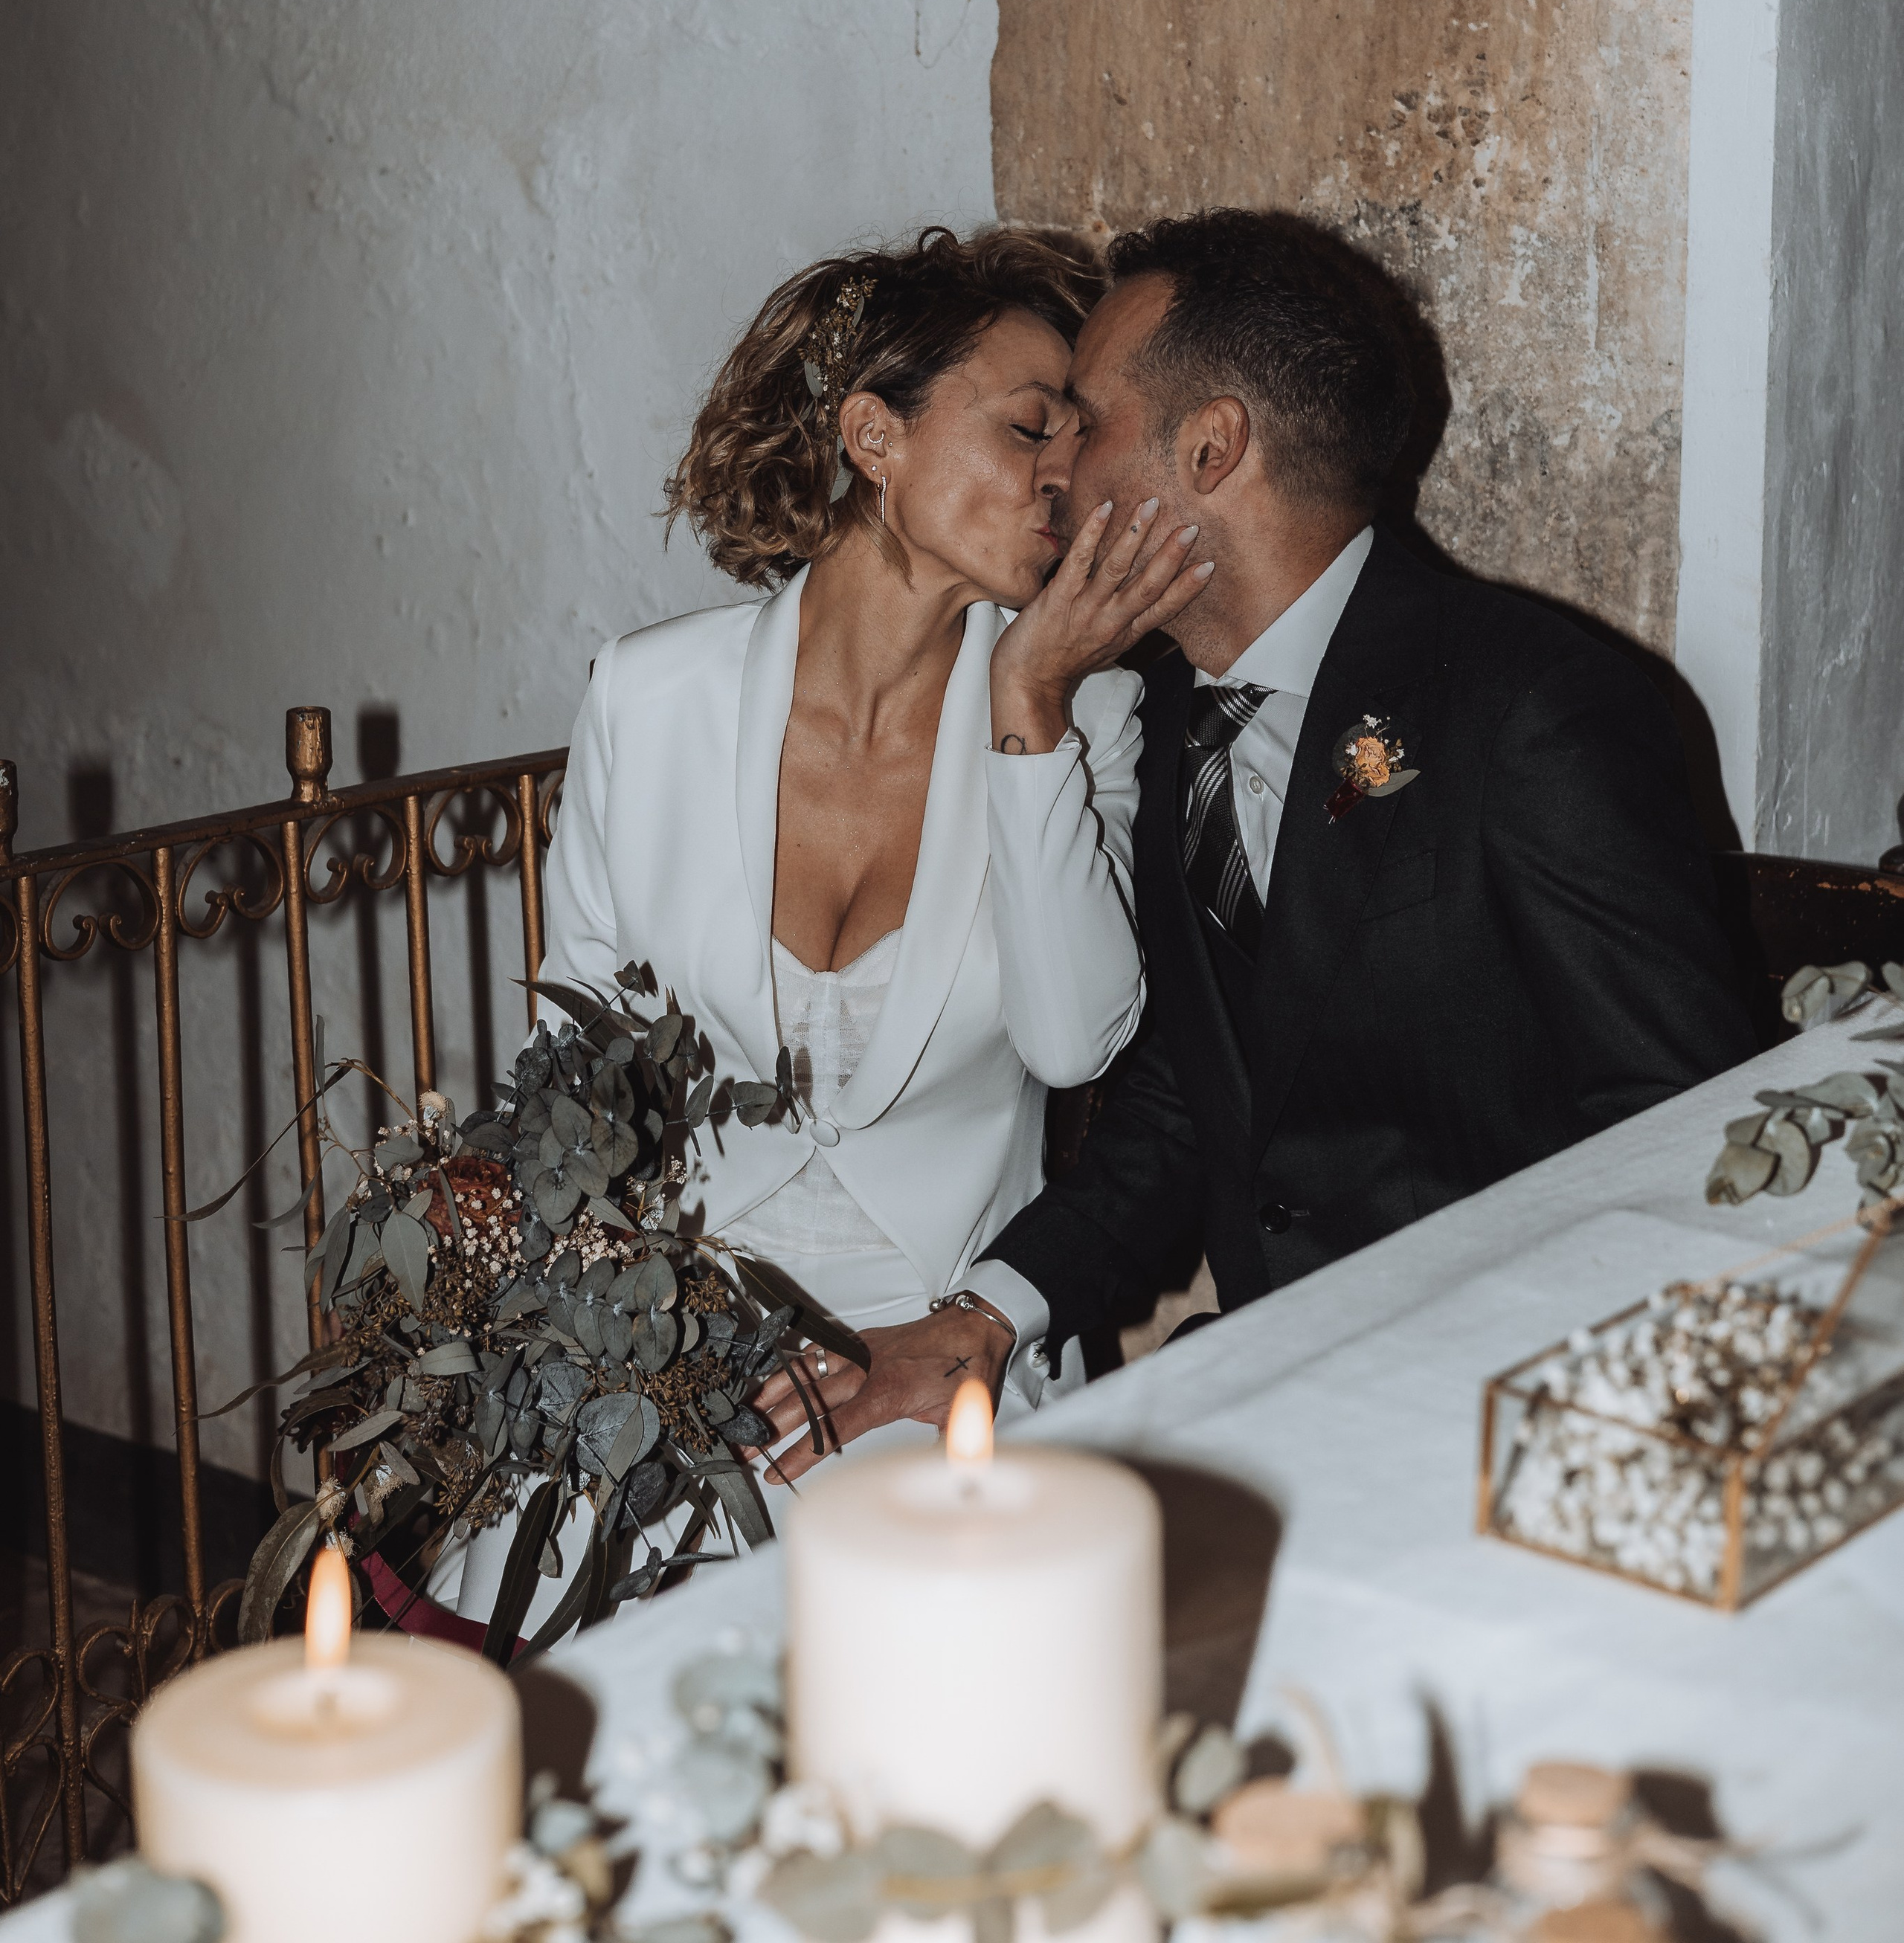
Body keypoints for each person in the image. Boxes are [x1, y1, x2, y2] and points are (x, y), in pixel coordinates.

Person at [765, 207, 1756, 1456]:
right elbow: (1193, 1086)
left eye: (1086, 412)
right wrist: (988, 1315)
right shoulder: (1174, 707)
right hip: (1269, 1381)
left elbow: (1681, 1131)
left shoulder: (1528, 708)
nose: (1053, 456)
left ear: (1214, 446)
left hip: (1509, 1409)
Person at [440, 224, 1207, 1622]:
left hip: (935, 1320)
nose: (1064, 474)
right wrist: (635, 1324)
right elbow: (575, 1069)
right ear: (874, 434)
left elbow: (1077, 1042)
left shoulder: (1089, 711)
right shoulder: (648, 698)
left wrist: (1028, 713)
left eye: (1076, 440)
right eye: (1030, 425)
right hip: (676, 1324)